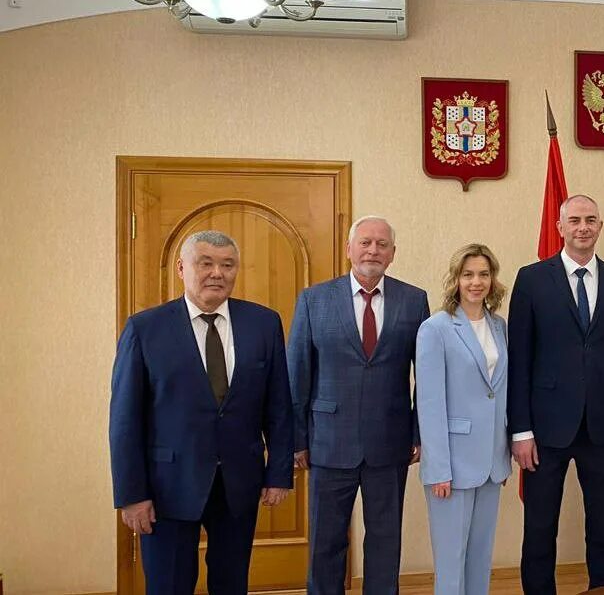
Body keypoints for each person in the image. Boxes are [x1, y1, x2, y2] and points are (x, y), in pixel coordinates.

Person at [110, 230, 294, 595]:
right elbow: (124, 420)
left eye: (228, 265)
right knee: (169, 585)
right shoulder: (145, 329)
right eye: (205, 263)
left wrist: (278, 474)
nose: (217, 273)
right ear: (181, 268)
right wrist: (131, 494)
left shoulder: (263, 323)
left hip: (239, 483)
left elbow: (278, 405)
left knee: (232, 584)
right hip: (167, 486)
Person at [287, 215, 430, 595]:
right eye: (365, 242)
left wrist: (419, 432)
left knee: (385, 539)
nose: (373, 250)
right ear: (349, 249)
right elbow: (296, 375)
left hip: (390, 441)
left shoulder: (414, 300)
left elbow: (427, 376)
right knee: (326, 541)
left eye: (382, 244)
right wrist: (297, 439)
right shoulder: (314, 299)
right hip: (327, 442)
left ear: (393, 253)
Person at [508, 194, 604, 594]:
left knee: (603, 527)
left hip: (603, 427)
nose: (583, 227)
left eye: (590, 220)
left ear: (600, 227)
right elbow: (519, 358)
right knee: (540, 526)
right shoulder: (531, 279)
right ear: (560, 226)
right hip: (545, 428)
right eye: (575, 220)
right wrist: (521, 431)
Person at [416, 244, 511, 595]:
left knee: (480, 557)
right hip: (452, 465)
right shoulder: (436, 328)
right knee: (451, 561)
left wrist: (502, 454)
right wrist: (438, 468)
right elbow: (429, 403)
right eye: (468, 274)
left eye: (484, 274)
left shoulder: (499, 326)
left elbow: (497, 394)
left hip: (491, 462)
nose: (476, 282)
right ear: (455, 279)